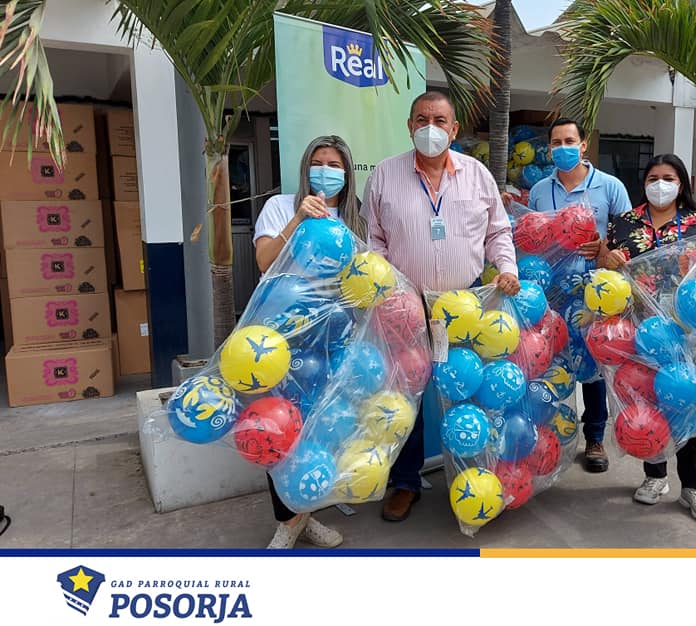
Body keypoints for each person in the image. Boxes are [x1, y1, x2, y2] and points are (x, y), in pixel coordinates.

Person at [363, 90, 520, 522]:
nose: (429, 128)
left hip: (467, 305)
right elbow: (375, 239)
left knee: (467, 391)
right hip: (405, 305)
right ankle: (405, 482)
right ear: (409, 126)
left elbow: (497, 232)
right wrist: (386, 289)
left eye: (439, 121)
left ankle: (476, 475)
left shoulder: (477, 175)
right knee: (406, 395)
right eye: (421, 119)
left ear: (454, 129)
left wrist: (507, 269)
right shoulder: (384, 174)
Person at [600, 153, 696, 523]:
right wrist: (607, 259)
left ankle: (693, 487)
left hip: (687, 329)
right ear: (644, 183)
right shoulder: (624, 223)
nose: (660, 184)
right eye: (653, 178)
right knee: (645, 399)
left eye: (668, 178)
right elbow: (605, 268)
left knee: (686, 400)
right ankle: (655, 476)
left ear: (682, 183)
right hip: (640, 328)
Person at [252, 134, 362, 549]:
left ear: (347, 173)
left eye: (335, 165)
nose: (325, 171)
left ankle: (306, 515)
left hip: (334, 338)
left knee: (320, 430)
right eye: (318, 162)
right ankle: (287, 521)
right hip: (283, 337)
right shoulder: (281, 206)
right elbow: (264, 262)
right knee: (278, 425)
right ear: (305, 168)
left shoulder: (354, 220)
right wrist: (298, 219)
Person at [526, 117, 632, 474]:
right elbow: (532, 236)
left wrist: (604, 248)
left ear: (583, 145)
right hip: (552, 292)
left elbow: (630, 239)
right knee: (552, 363)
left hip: (596, 294)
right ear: (549, 148)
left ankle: (595, 437)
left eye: (569, 141)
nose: (563, 148)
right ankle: (551, 435)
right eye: (556, 143)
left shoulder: (610, 186)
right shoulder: (540, 190)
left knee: (595, 365)